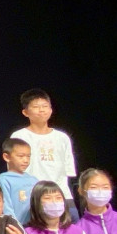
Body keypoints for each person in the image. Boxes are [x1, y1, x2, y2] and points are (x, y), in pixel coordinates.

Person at [11, 89, 78, 220]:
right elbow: (15, 172)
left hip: (61, 195)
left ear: (51, 110)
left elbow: (68, 170)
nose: (41, 110)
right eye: (36, 107)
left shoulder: (62, 137)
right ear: (25, 112)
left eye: (45, 106)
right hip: (32, 196)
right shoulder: (19, 136)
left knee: (72, 225)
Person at [0, 138, 37, 225]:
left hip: (33, 226)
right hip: (14, 226)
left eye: (28, 156)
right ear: (6, 157)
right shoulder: (4, 180)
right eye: (21, 156)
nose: (26, 160)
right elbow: (6, 207)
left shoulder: (34, 180)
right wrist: (14, 224)